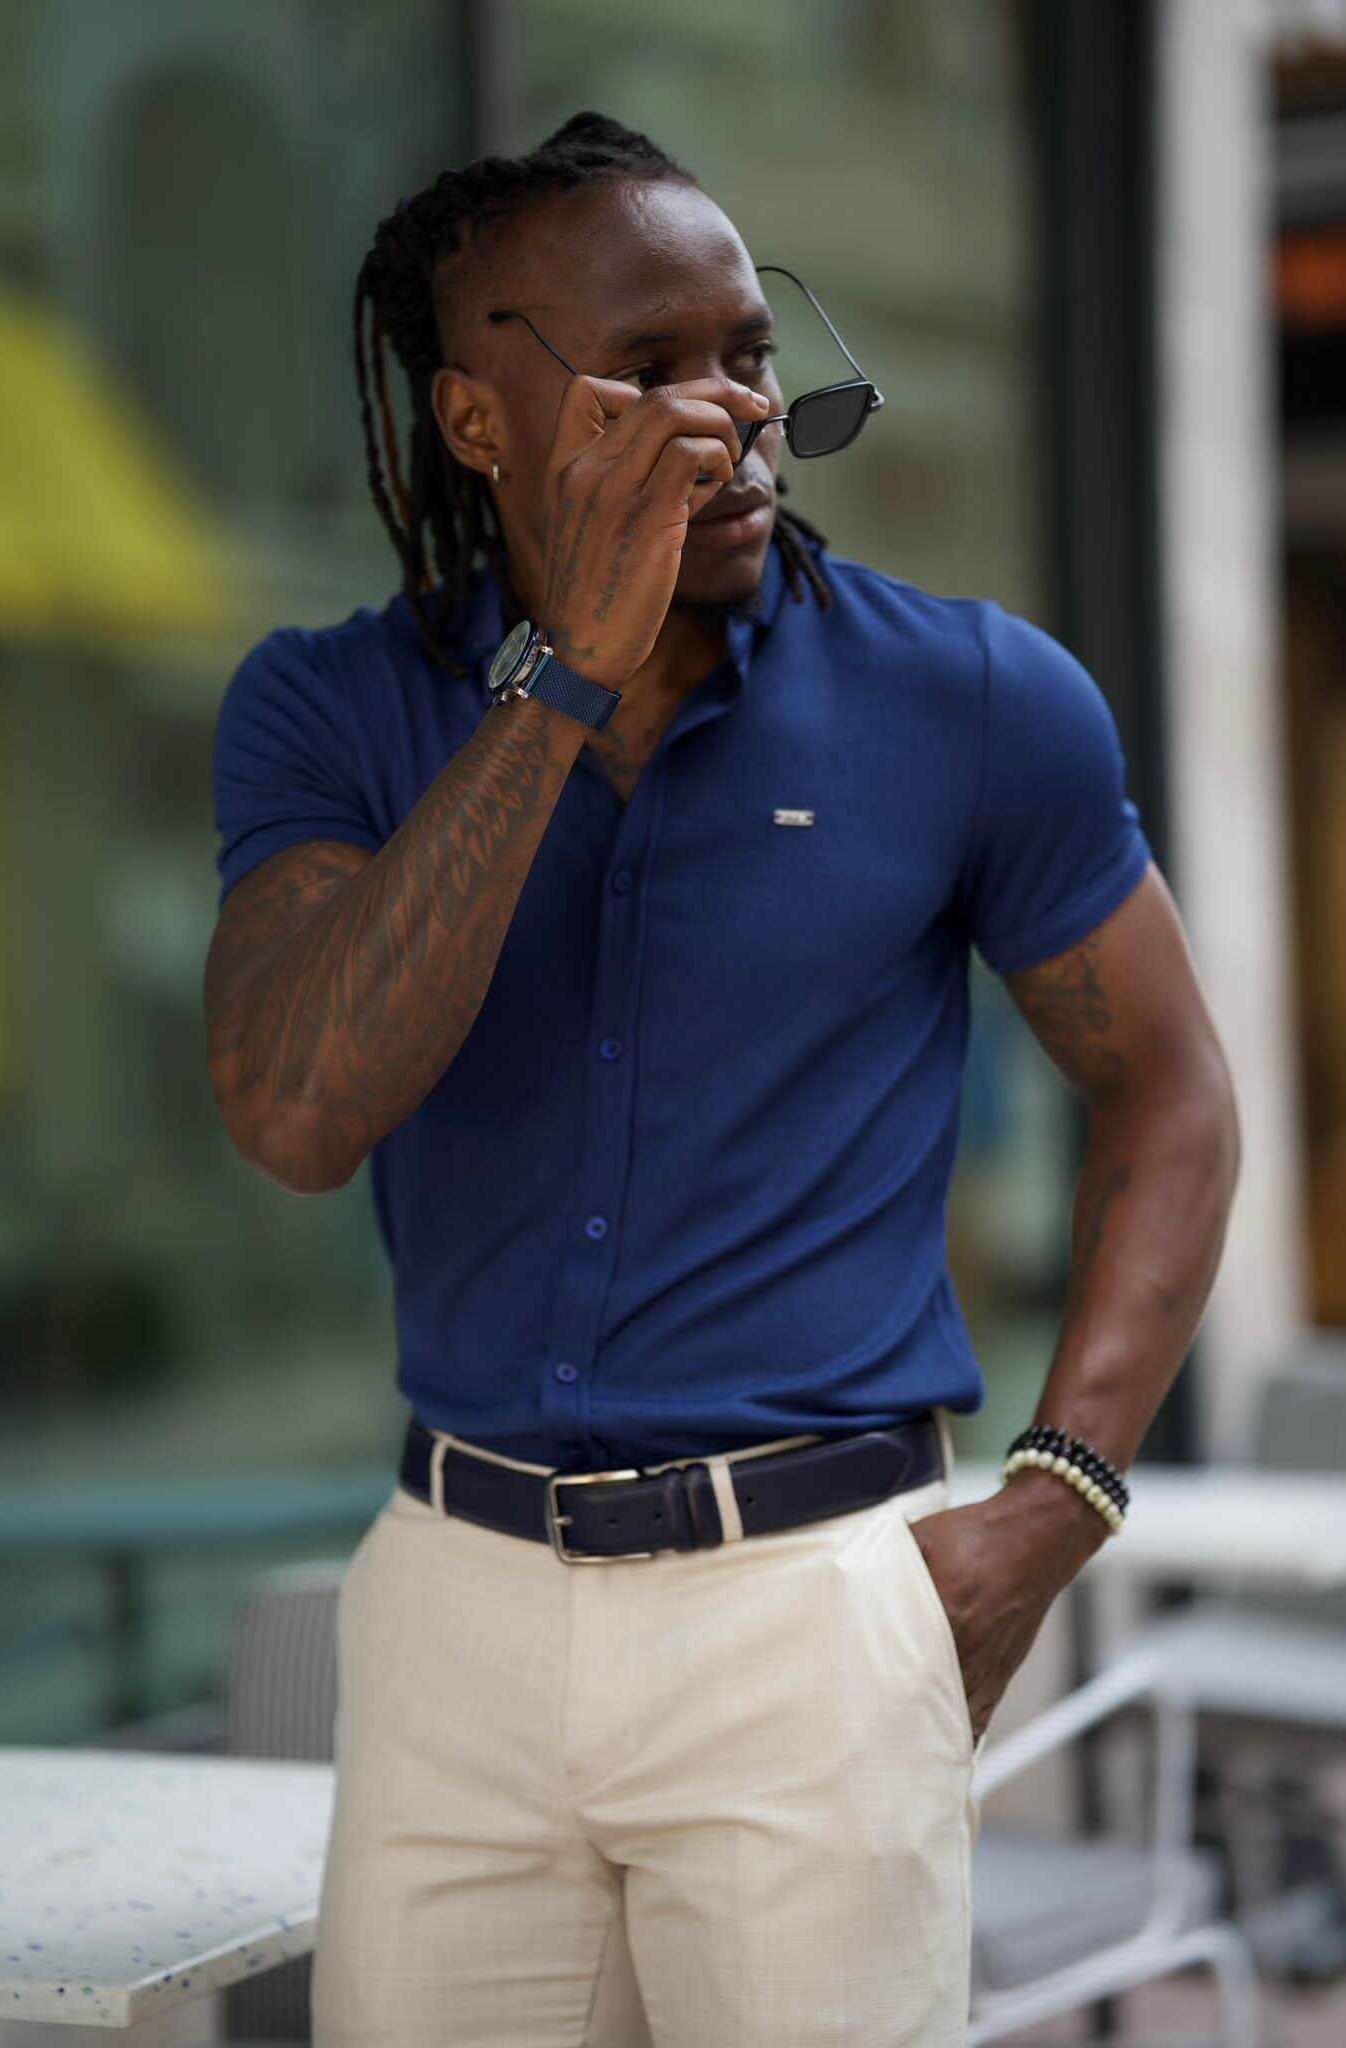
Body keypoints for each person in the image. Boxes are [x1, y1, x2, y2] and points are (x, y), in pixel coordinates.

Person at [203, 110, 1240, 2048]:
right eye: (651, 369)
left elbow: (1173, 1092)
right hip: (454, 1612)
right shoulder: (331, 707)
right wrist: (561, 679)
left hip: (812, 1614)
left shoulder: (973, 697)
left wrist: (1059, 1500)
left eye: (750, 355)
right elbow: (292, 1112)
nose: (735, 416)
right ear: (477, 421)